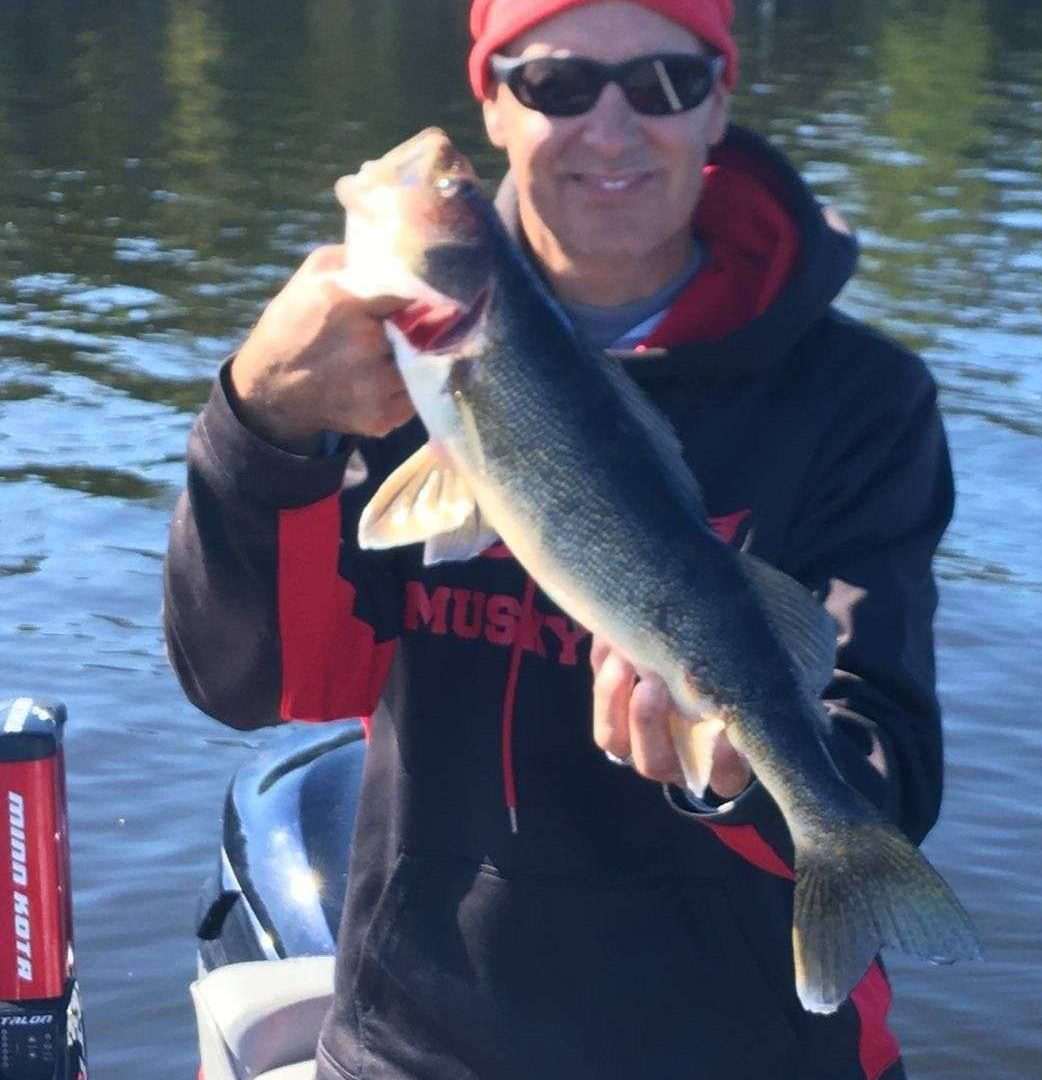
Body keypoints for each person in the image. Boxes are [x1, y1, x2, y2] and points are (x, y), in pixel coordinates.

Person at [164, 1, 955, 1077]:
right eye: (558, 84)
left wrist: (735, 779)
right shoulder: (369, 369)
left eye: (665, 82)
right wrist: (255, 425)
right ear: (491, 98)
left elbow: (882, 765)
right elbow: (251, 683)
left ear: (720, 101)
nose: (613, 127)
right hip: (421, 1045)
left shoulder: (863, 402)